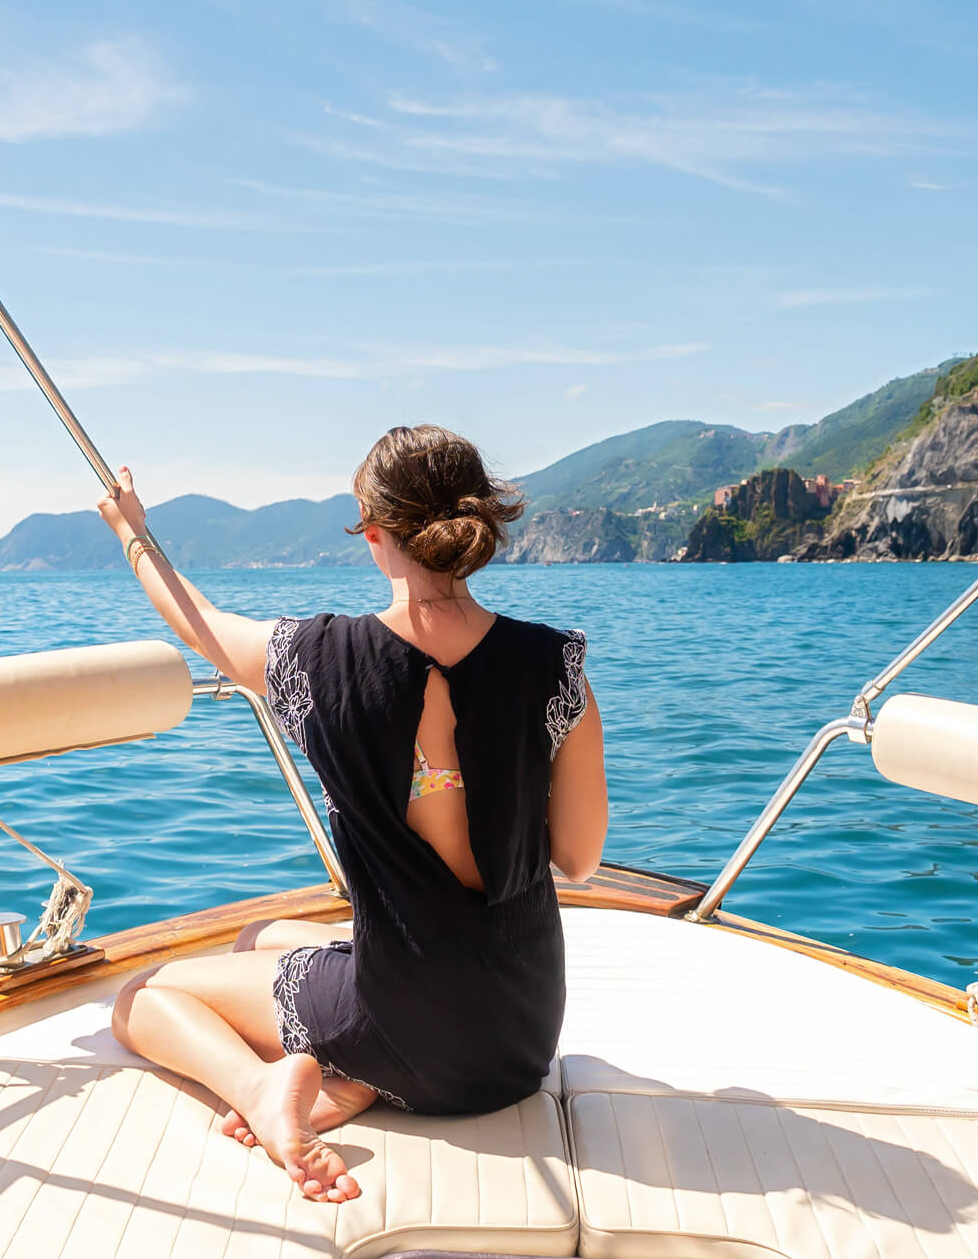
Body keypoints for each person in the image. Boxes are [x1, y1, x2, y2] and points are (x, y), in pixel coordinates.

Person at [98, 424, 608, 1205]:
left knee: (140, 998)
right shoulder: (554, 665)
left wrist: (135, 532)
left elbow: (199, 620)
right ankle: (358, 1072)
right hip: (520, 1035)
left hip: (413, 1031)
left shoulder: (318, 659)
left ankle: (267, 1089)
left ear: (373, 531)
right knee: (257, 938)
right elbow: (578, 858)